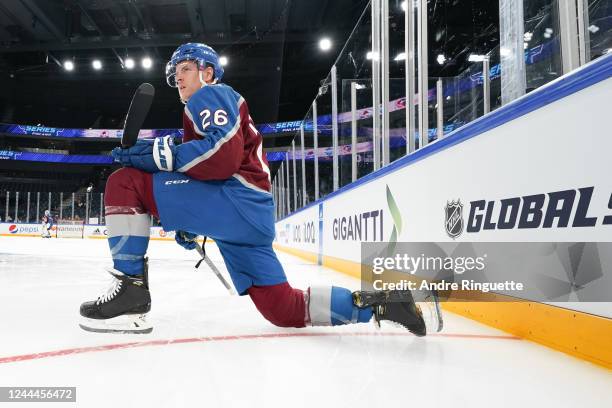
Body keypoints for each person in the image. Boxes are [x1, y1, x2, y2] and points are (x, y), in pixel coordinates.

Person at [79, 43, 442, 335]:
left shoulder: (211, 95)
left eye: (185, 68)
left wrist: (153, 156)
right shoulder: (200, 110)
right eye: (176, 73)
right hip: (249, 216)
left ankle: (131, 290)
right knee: (281, 308)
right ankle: (383, 304)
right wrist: (191, 216)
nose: (179, 78)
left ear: (207, 72)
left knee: (124, 181)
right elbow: (205, 164)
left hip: (237, 200)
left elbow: (221, 157)